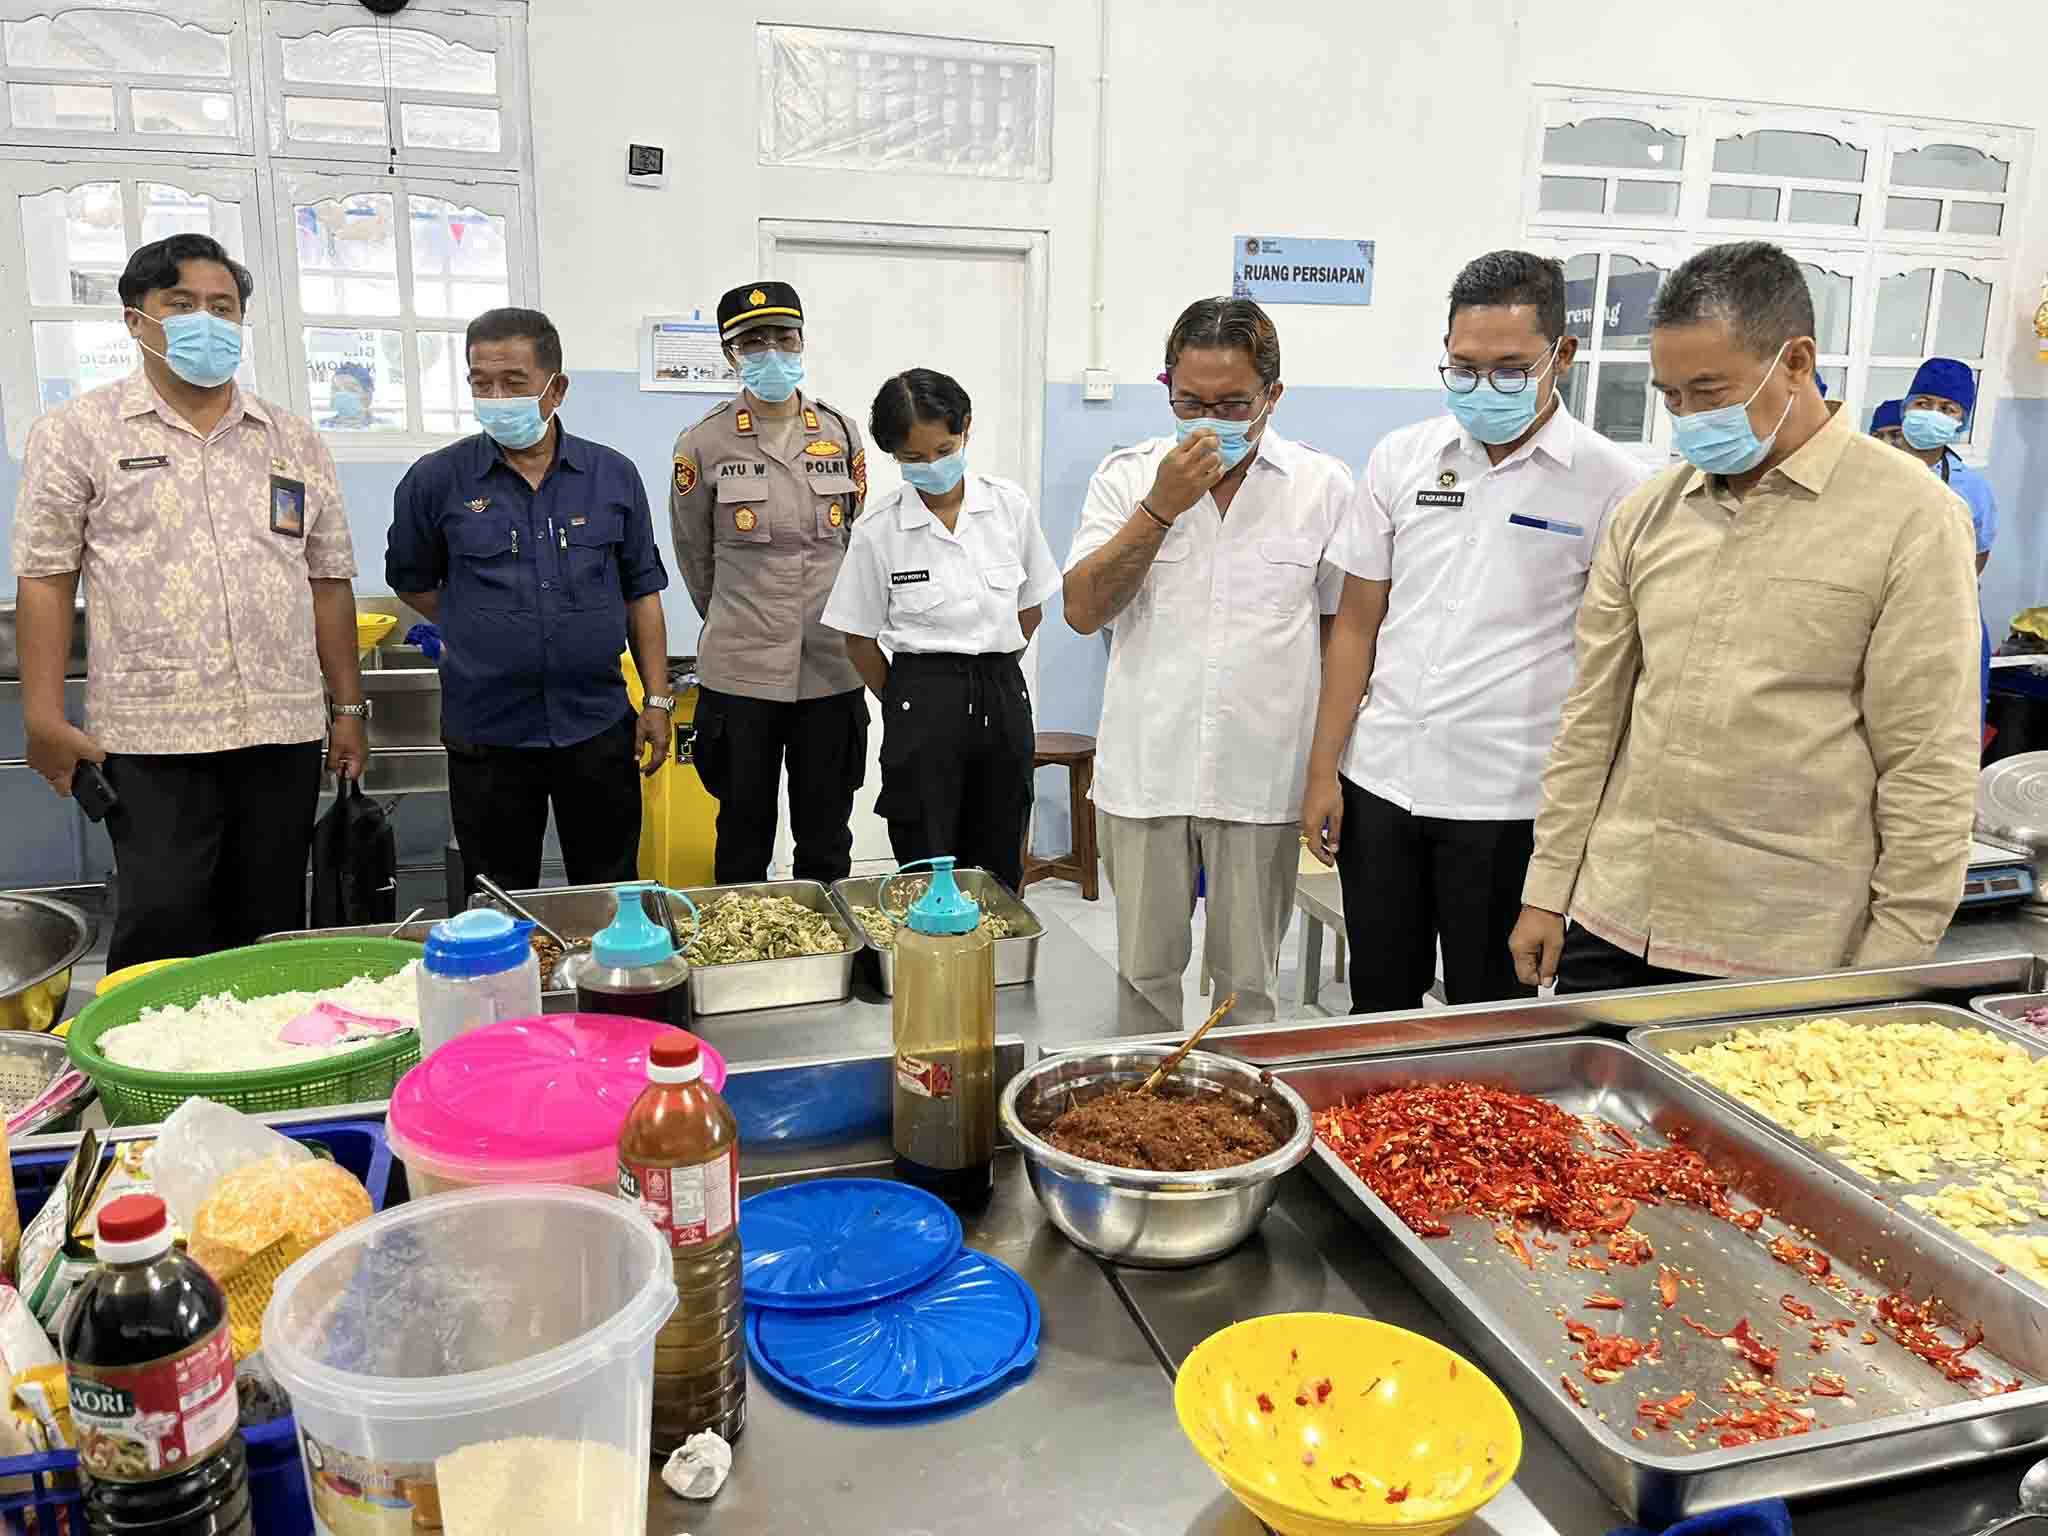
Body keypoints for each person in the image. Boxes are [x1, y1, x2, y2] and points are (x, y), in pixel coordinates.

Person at [1507, 241, 1981, 994]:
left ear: (1796, 361)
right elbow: (1591, 718)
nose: (1689, 418)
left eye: (1710, 391)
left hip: (1783, 944)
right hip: (1618, 915)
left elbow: (1928, 762)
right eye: (1672, 397)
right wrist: (1548, 887)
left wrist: (1892, 960)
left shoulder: (1911, 519)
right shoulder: (1648, 514)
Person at [1301, 251, 1647, 1015]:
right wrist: (1324, 769)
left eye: (1509, 369)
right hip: (1383, 782)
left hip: (1509, 801)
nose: (1482, 387)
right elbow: (1357, 624)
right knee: (1379, 1002)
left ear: (1563, 355)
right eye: (1463, 367)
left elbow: (1612, 676)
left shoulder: (1613, 486)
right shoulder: (1402, 457)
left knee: (1489, 1015)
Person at [12, 234, 368, 968]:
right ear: (135, 320)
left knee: (271, 927)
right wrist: (43, 716)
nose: (206, 320)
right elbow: (46, 579)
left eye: (222, 306)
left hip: (281, 728)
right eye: (182, 304)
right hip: (153, 738)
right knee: (163, 925)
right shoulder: (77, 433)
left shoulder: (292, 441)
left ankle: (265, 1074)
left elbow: (329, 581)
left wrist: (348, 710)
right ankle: (156, 1078)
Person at [1064, 296, 1350, 1024]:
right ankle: (1139, 1127)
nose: (1209, 420)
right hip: (1146, 769)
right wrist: (1160, 507)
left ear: (1272, 397)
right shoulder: (1127, 477)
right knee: (1141, 981)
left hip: (1260, 775)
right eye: (1189, 400)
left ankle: (1245, 1135)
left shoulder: (1322, 487)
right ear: (1167, 387)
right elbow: (1082, 609)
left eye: (1232, 403)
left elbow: (1340, 636)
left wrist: (1326, 768)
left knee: (1247, 991)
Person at [387, 307, 671, 895]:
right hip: (488, 732)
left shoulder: (612, 476)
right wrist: (477, 624)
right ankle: (501, 991)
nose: (495, 397)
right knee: (495, 894)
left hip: (594, 725)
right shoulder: (436, 479)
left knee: (609, 890)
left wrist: (659, 700)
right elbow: (411, 582)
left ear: (555, 387)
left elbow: (640, 593)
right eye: (480, 383)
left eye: (513, 382)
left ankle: (608, 989)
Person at [822, 370, 1060, 891]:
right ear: (893, 455)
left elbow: (1030, 608)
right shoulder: (878, 530)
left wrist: (990, 670)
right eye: (913, 459)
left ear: (966, 430)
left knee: (999, 845)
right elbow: (857, 638)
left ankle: (993, 965)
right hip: (920, 697)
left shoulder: (1008, 508)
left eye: (943, 449)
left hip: (1001, 690)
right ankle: (929, 962)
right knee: (924, 847)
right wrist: (911, 695)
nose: (931, 466)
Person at [671, 282, 869, 885]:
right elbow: (693, 557)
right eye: (752, 342)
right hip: (741, 674)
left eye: (783, 338)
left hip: (832, 669)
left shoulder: (842, 434)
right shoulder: (702, 443)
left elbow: (854, 542)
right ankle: (743, 966)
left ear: (802, 340)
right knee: (741, 835)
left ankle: (829, 965)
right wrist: (741, 618)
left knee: (827, 838)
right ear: (731, 355)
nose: (771, 352)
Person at [1900, 358, 1998, 717]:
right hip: (1877, 620)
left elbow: (1976, 560)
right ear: (1906, 407)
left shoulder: (1973, 489)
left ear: (1961, 421)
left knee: (1947, 724)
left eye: (1947, 408)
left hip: (1947, 623)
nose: (1932, 413)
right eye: (1922, 403)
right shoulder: (1870, 471)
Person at [321, 362, 376, 431]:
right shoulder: (322, 426)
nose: (342, 395)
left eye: (351, 389)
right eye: (336, 389)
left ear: (367, 394)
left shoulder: (382, 427)